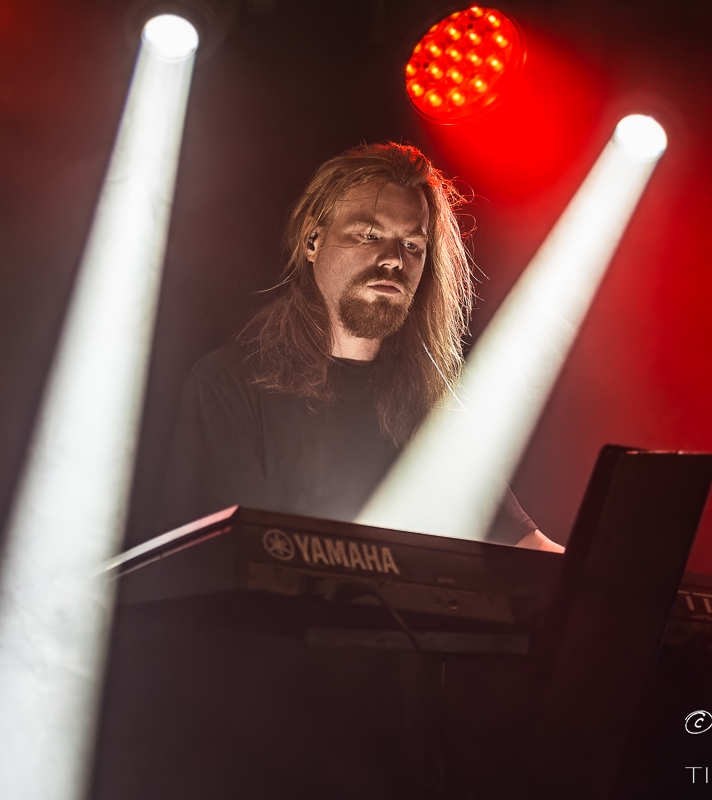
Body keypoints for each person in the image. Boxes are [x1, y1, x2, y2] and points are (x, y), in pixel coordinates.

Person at [163, 142, 563, 551]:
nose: (394, 260)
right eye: (370, 235)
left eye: (412, 245)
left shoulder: (429, 403)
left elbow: (527, 548)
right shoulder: (231, 383)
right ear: (313, 241)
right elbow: (214, 559)